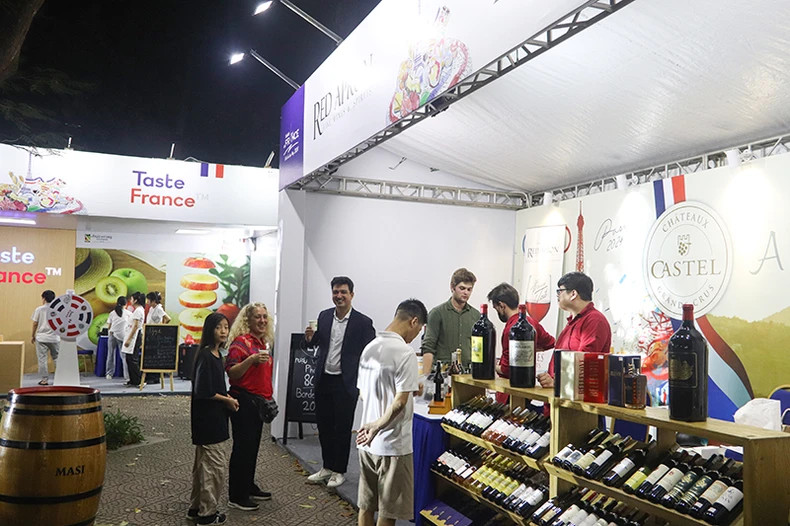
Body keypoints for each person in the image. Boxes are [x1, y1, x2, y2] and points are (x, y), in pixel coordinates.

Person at [356, 299, 427, 526]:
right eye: (418, 330)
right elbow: (398, 403)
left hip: (365, 441)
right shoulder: (405, 353)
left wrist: (372, 425)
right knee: (388, 511)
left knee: (366, 505)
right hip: (392, 443)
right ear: (413, 321)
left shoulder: (369, 348)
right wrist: (378, 426)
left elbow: (364, 394)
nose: (415, 336)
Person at [304, 276, 376, 489]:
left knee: (342, 428)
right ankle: (326, 467)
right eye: (336, 292)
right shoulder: (324, 316)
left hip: (346, 383)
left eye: (343, 292)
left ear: (351, 295)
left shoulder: (363, 322)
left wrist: (363, 382)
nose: (339, 296)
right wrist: (309, 339)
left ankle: (339, 470)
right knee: (324, 426)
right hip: (323, 379)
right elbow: (315, 343)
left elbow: (370, 354)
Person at [187, 312, 239, 525]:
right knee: (214, 469)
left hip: (211, 420)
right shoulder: (207, 356)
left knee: (202, 467)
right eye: (219, 327)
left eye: (226, 327)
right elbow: (204, 391)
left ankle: (196, 508)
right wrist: (226, 400)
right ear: (210, 330)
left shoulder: (217, 355)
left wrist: (227, 398)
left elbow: (211, 388)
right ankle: (207, 515)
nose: (224, 331)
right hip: (209, 422)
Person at [224, 302, 274, 511]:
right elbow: (232, 372)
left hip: (259, 403)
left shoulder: (262, 342)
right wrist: (250, 360)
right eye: (257, 317)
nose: (262, 321)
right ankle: (236, 495)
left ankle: (248, 485)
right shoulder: (241, 343)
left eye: (264, 317)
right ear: (248, 320)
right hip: (243, 401)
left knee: (252, 447)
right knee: (242, 448)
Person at [538, 271, 612, 388]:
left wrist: (557, 383)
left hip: (577, 400)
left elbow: (584, 363)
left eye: (560, 291)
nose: (557, 295)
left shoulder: (594, 320)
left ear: (573, 294)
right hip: (560, 397)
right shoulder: (572, 321)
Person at [487, 283, 555, 401]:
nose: (497, 311)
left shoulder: (510, 329)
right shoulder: (531, 322)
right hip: (527, 388)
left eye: (496, 308)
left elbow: (507, 369)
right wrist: (528, 350)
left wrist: (491, 365)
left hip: (511, 392)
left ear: (502, 305)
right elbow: (550, 342)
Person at [421, 268, 479, 374]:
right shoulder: (437, 313)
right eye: (462, 288)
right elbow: (428, 347)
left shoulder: (476, 316)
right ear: (452, 287)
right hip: (443, 373)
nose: (466, 292)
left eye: (469, 289)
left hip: (468, 374)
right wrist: (425, 379)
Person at [31, 289, 60, 385]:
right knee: (56, 358)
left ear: (43, 298)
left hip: (41, 337)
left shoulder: (39, 309)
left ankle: (44, 380)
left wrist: (32, 335)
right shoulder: (57, 309)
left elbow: (35, 323)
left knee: (42, 359)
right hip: (54, 337)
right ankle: (60, 378)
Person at [144, 291, 170, 383]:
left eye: (149, 300)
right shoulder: (151, 308)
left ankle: (155, 377)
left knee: (154, 356)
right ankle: (150, 376)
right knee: (150, 356)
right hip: (150, 334)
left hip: (155, 335)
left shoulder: (159, 309)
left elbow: (168, 318)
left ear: (154, 301)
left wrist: (161, 328)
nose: (147, 302)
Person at [122, 292, 146, 388]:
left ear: (135, 300)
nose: (130, 301)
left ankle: (138, 380)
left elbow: (135, 326)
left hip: (134, 336)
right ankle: (133, 380)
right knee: (129, 358)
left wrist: (129, 339)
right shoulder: (138, 310)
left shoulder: (138, 311)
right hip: (133, 335)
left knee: (133, 359)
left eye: (131, 299)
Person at [105, 296, 131, 381]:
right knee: (124, 356)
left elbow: (109, 326)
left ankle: (109, 374)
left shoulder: (112, 313)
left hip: (112, 335)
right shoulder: (128, 313)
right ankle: (127, 376)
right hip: (123, 336)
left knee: (110, 354)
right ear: (126, 304)